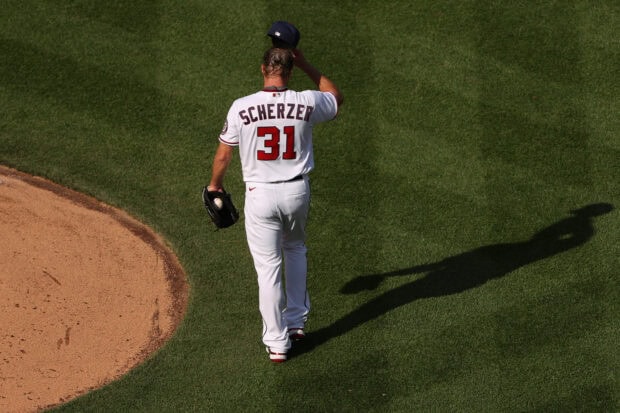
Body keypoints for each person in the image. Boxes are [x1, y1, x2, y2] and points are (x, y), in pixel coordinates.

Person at [207, 47, 343, 362]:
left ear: (262, 69)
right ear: (289, 71)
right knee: (294, 249)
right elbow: (335, 98)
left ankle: (277, 342)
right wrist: (308, 63)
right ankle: (296, 323)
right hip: (297, 192)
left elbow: (224, 155)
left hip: (261, 195)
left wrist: (215, 185)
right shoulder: (307, 101)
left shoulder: (241, 107)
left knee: (268, 268)